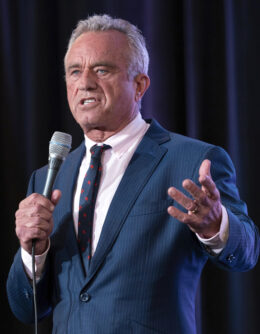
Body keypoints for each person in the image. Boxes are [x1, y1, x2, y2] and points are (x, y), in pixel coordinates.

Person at [7, 14, 259, 334]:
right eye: (75, 71)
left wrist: (216, 225)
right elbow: (24, 307)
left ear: (139, 84)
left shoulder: (194, 161)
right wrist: (34, 252)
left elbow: (248, 250)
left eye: (101, 69)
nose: (84, 82)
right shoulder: (47, 178)